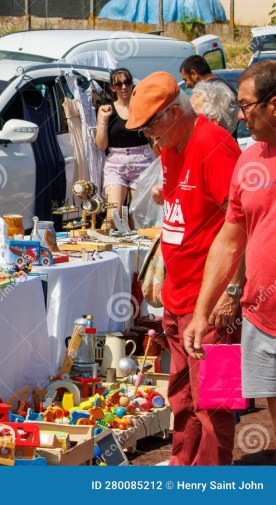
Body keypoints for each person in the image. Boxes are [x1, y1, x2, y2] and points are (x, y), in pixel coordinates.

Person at [126, 72, 242, 465]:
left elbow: (242, 225)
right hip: (179, 300)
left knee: (216, 403)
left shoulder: (216, 145)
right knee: (181, 395)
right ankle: (183, 468)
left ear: (175, 112)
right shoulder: (171, 144)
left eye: (150, 130)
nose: (150, 140)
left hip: (209, 305)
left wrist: (229, 295)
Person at [184, 59, 276, 440]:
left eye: (246, 105)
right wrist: (202, 311)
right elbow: (229, 240)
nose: (240, 116)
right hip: (263, 321)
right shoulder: (249, 160)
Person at [95, 68, 155, 229]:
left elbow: (154, 140)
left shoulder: (142, 108)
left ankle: (138, 252)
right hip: (116, 162)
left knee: (138, 216)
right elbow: (101, 145)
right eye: (118, 84)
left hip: (142, 159)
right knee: (113, 215)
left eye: (127, 82)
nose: (123, 87)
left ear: (132, 84)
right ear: (112, 88)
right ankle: (101, 250)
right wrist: (103, 121)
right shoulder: (107, 110)